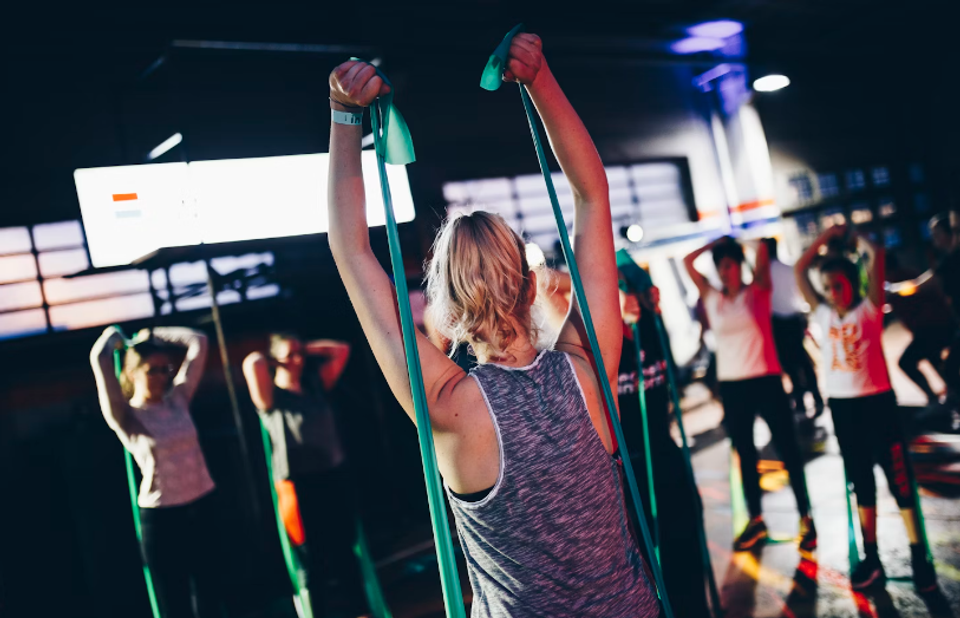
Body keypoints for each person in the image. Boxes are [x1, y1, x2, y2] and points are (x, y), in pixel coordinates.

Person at [327, 33, 659, 617]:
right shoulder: (589, 369)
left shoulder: (448, 404)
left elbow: (352, 253)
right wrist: (540, 78)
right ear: (534, 285)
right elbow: (591, 195)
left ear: (446, 314)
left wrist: (343, 117)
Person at [795, 225, 938, 593]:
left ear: (852, 284)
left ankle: (919, 554)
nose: (832, 293)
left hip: (878, 405)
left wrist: (850, 233)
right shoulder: (824, 315)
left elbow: (875, 253)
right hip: (844, 409)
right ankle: (872, 555)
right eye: (827, 288)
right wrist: (824, 237)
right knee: (862, 483)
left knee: (899, 478)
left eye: (838, 285)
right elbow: (800, 269)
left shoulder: (869, 308)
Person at [683, 237, 815, 552]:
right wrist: (717, 242)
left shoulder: (758, 292)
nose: (724, 272)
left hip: (766, 380)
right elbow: (689, 260)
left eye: (729, 264)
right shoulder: (712, 298)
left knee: (789, 451)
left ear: (740, 265)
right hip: (733, 387)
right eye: (720, 266)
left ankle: (806, 518)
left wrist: (740, 242)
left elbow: (763, 251)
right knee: (745, 455)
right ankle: (756, 520)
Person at [90, 325, 222, 618]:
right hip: (164, 518)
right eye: (153, 370)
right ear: (133, 373)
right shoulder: (126, 415)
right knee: (175, 604)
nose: (163, 377)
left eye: (166, 369)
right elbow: (99, 358)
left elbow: (198, 340)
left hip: (203, 504)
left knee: (211, 595)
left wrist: (154, 333)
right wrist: (115, 338)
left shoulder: (178, 399)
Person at [242, 334, 367, 617]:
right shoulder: (271, 397)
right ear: (275, 360)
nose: (297, 360)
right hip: (298, 485)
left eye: (300, 354)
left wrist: (304, 350)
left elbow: (342, 349)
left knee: (345, 552)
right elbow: (253, 362)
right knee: (310, 561)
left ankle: (362, 611)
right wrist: (278, 356)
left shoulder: (315, 385)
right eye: (290, 355)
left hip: (332, 478)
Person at [616, 266, 712, 618]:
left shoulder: (654, 329)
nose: (630, 297)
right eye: (618, 290)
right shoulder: (599, 343)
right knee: (644, 560)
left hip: (664, 453)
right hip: (628, 469)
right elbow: (556, 291)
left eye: (633, 289)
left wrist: (646, 300)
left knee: (687, 543)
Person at [762, 237, 824, 417]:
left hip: (778, 323)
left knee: (789, 362)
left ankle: (800, 402)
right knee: (802, 359)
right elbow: (799, 296)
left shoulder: (765, 273)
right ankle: (816, 396)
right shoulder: (788, 269)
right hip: (794, 318)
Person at [884, 252, 957, 406]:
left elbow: (913, 289)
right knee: (935, 359)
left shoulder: (897, 281)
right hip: (932, 330)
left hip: (935, 329)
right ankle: (950, 395)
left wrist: (892, 291)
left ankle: (937, 398)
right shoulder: (904, 275)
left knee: (907, 361)